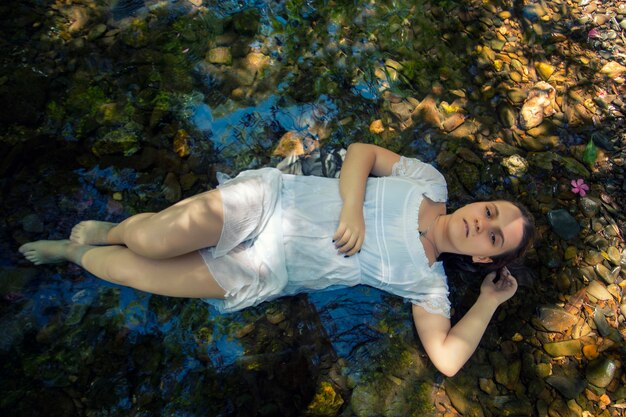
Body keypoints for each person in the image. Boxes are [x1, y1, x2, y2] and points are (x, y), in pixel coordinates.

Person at [19, 142, 534, 376]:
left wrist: (488, 302)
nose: (481, 225)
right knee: (151, 240)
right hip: (271, 202)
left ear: (487, 260)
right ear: (479, 201)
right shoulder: (430, 184)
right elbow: (362, 153)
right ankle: (115, 229)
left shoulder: (428, 285)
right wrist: (352, 207)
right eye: (490, 212)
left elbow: (445, 361)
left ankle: (76, 250)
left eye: (493, 238)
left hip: (267, 270)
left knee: (135, 273)